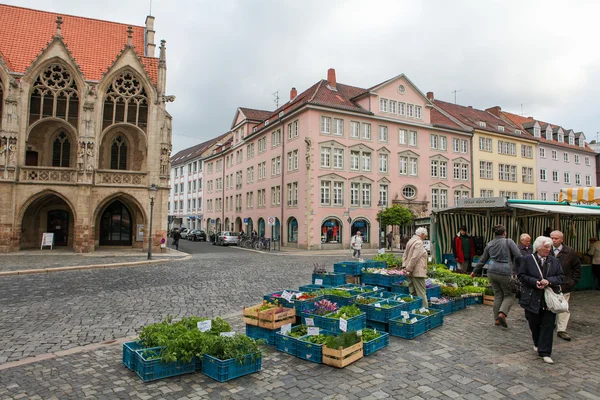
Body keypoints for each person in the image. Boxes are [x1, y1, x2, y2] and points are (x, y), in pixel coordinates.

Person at [518, 236, 565, 364]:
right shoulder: (528, 259)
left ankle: (545, 352)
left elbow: (561, 277)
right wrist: (535, 282)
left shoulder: (554, 261)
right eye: (545, 247)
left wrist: (549, 281)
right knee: (534, 323)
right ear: (538, 247)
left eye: (549, 247)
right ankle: (537, 342)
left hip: (548, 300)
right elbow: (521, 276)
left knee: (548, 325)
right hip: (532, 297)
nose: (548, 249)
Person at [471, 225, 521, 328]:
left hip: (491, 271)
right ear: (505, 233)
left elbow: (482, 259)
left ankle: (496, 319)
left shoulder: (490, 244)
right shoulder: (509, 242)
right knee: (509, 295)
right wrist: (519, 269)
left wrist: (474, 271)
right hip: (505, 271)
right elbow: (518, 256)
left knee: (498, 294)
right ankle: (502, 314)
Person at [550, 230, 581, 341]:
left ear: (562, 239)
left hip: (565, 284)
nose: (553, 240)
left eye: (556, 238)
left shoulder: (569, 251)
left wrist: (573, 281)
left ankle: (561, 329)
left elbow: (577, 268)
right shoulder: (547, 249)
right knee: (549, 304)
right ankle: (550, 323)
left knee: (564, 307)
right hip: (549, 284)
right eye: (552, 238)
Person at [402, 227, 429, 308]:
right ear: (422, 234)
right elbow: (415, 257)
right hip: (417, 271)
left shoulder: (410, 241)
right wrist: (409, 268)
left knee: (412, 292)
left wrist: (405, 267)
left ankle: (413, 308)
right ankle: (424, 310)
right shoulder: (419, 243)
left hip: (409, 271)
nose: (425, 237)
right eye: (425, 235)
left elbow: (405, 255)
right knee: (421, 292)